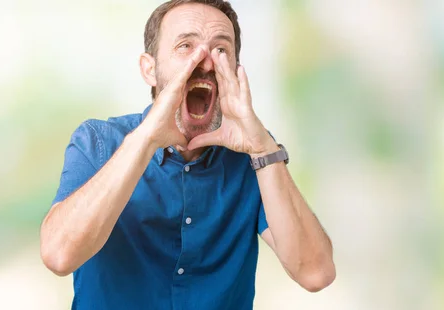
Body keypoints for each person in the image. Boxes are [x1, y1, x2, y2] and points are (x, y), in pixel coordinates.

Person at [39, 0, 335, 309]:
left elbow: (315, 273)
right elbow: (60, 255)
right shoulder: (98, 142)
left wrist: (263, 149)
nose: (204, 61)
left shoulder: (255, 156)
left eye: (221, 50)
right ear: (149, 69)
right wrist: (146, 139)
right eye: (186, 46)